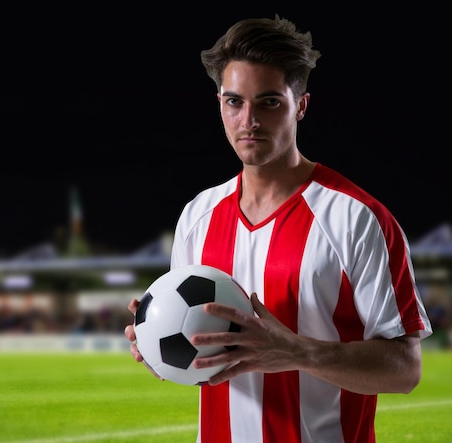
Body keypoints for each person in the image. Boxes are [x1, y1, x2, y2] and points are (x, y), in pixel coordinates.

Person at [124, 15, 432, 443]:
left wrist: (297, 352)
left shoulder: (358, 219)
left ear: (301, 105)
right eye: (234, 102)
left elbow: (405, 370)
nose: (248, 119)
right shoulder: (198, 215)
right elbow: (206, 366)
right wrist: (158, 340)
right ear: (219, 103)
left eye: (269, 102)